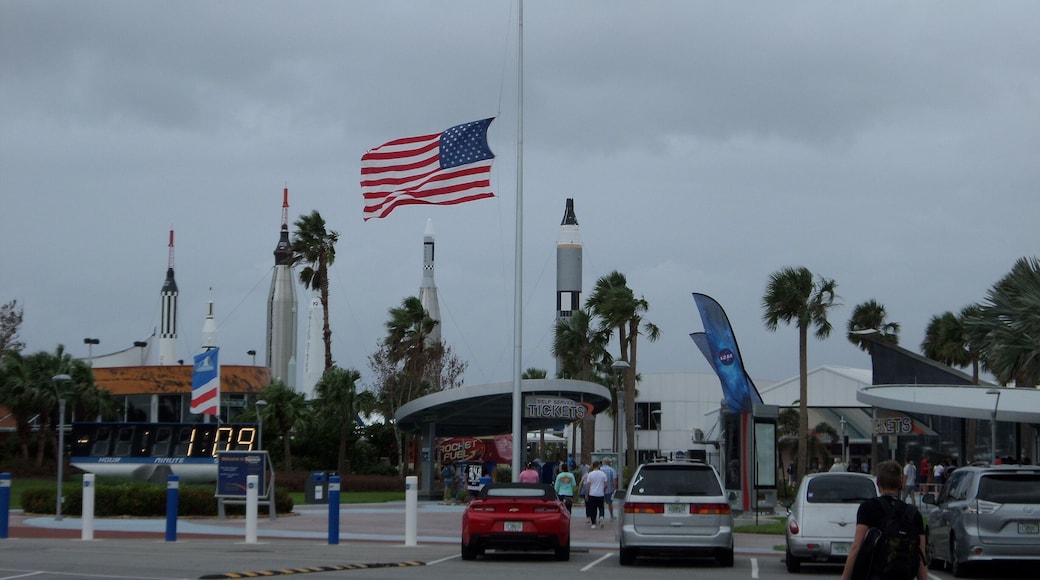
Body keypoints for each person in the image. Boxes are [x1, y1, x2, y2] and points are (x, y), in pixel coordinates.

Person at [841, 460, 927, 580]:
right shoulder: (914, 514)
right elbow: (921, 556)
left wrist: (845, 577)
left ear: (878, 483)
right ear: (901, 483)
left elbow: (856, 547)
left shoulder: (869, 507)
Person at [583, 461, 608, 528]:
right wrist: (603, 490)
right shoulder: (603, 474)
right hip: (600, 494)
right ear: (599, 466)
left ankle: (593, 523)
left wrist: (586, 494)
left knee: (593, 509)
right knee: (601, 507)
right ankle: (601, 516)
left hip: (592, 494)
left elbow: (588, 485)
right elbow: (606, 485)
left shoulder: (590, 474)